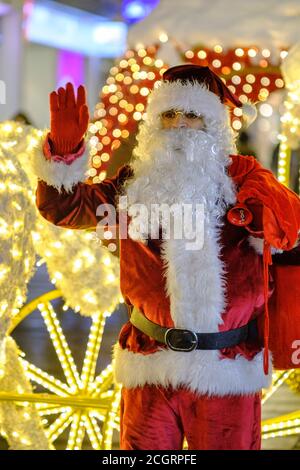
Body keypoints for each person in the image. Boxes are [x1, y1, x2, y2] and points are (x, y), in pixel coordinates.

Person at [32, 65, 300, 450]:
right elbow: (65, 208)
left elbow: (290, 228)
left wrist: (264, 206)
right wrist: (64, 153)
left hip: (226, 368)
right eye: (169, 115)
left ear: (213, 126)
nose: (179, 125)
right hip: (150, 365)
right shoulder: (132, 185)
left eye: (192, 115)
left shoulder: (243, 180)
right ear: (155, 124)